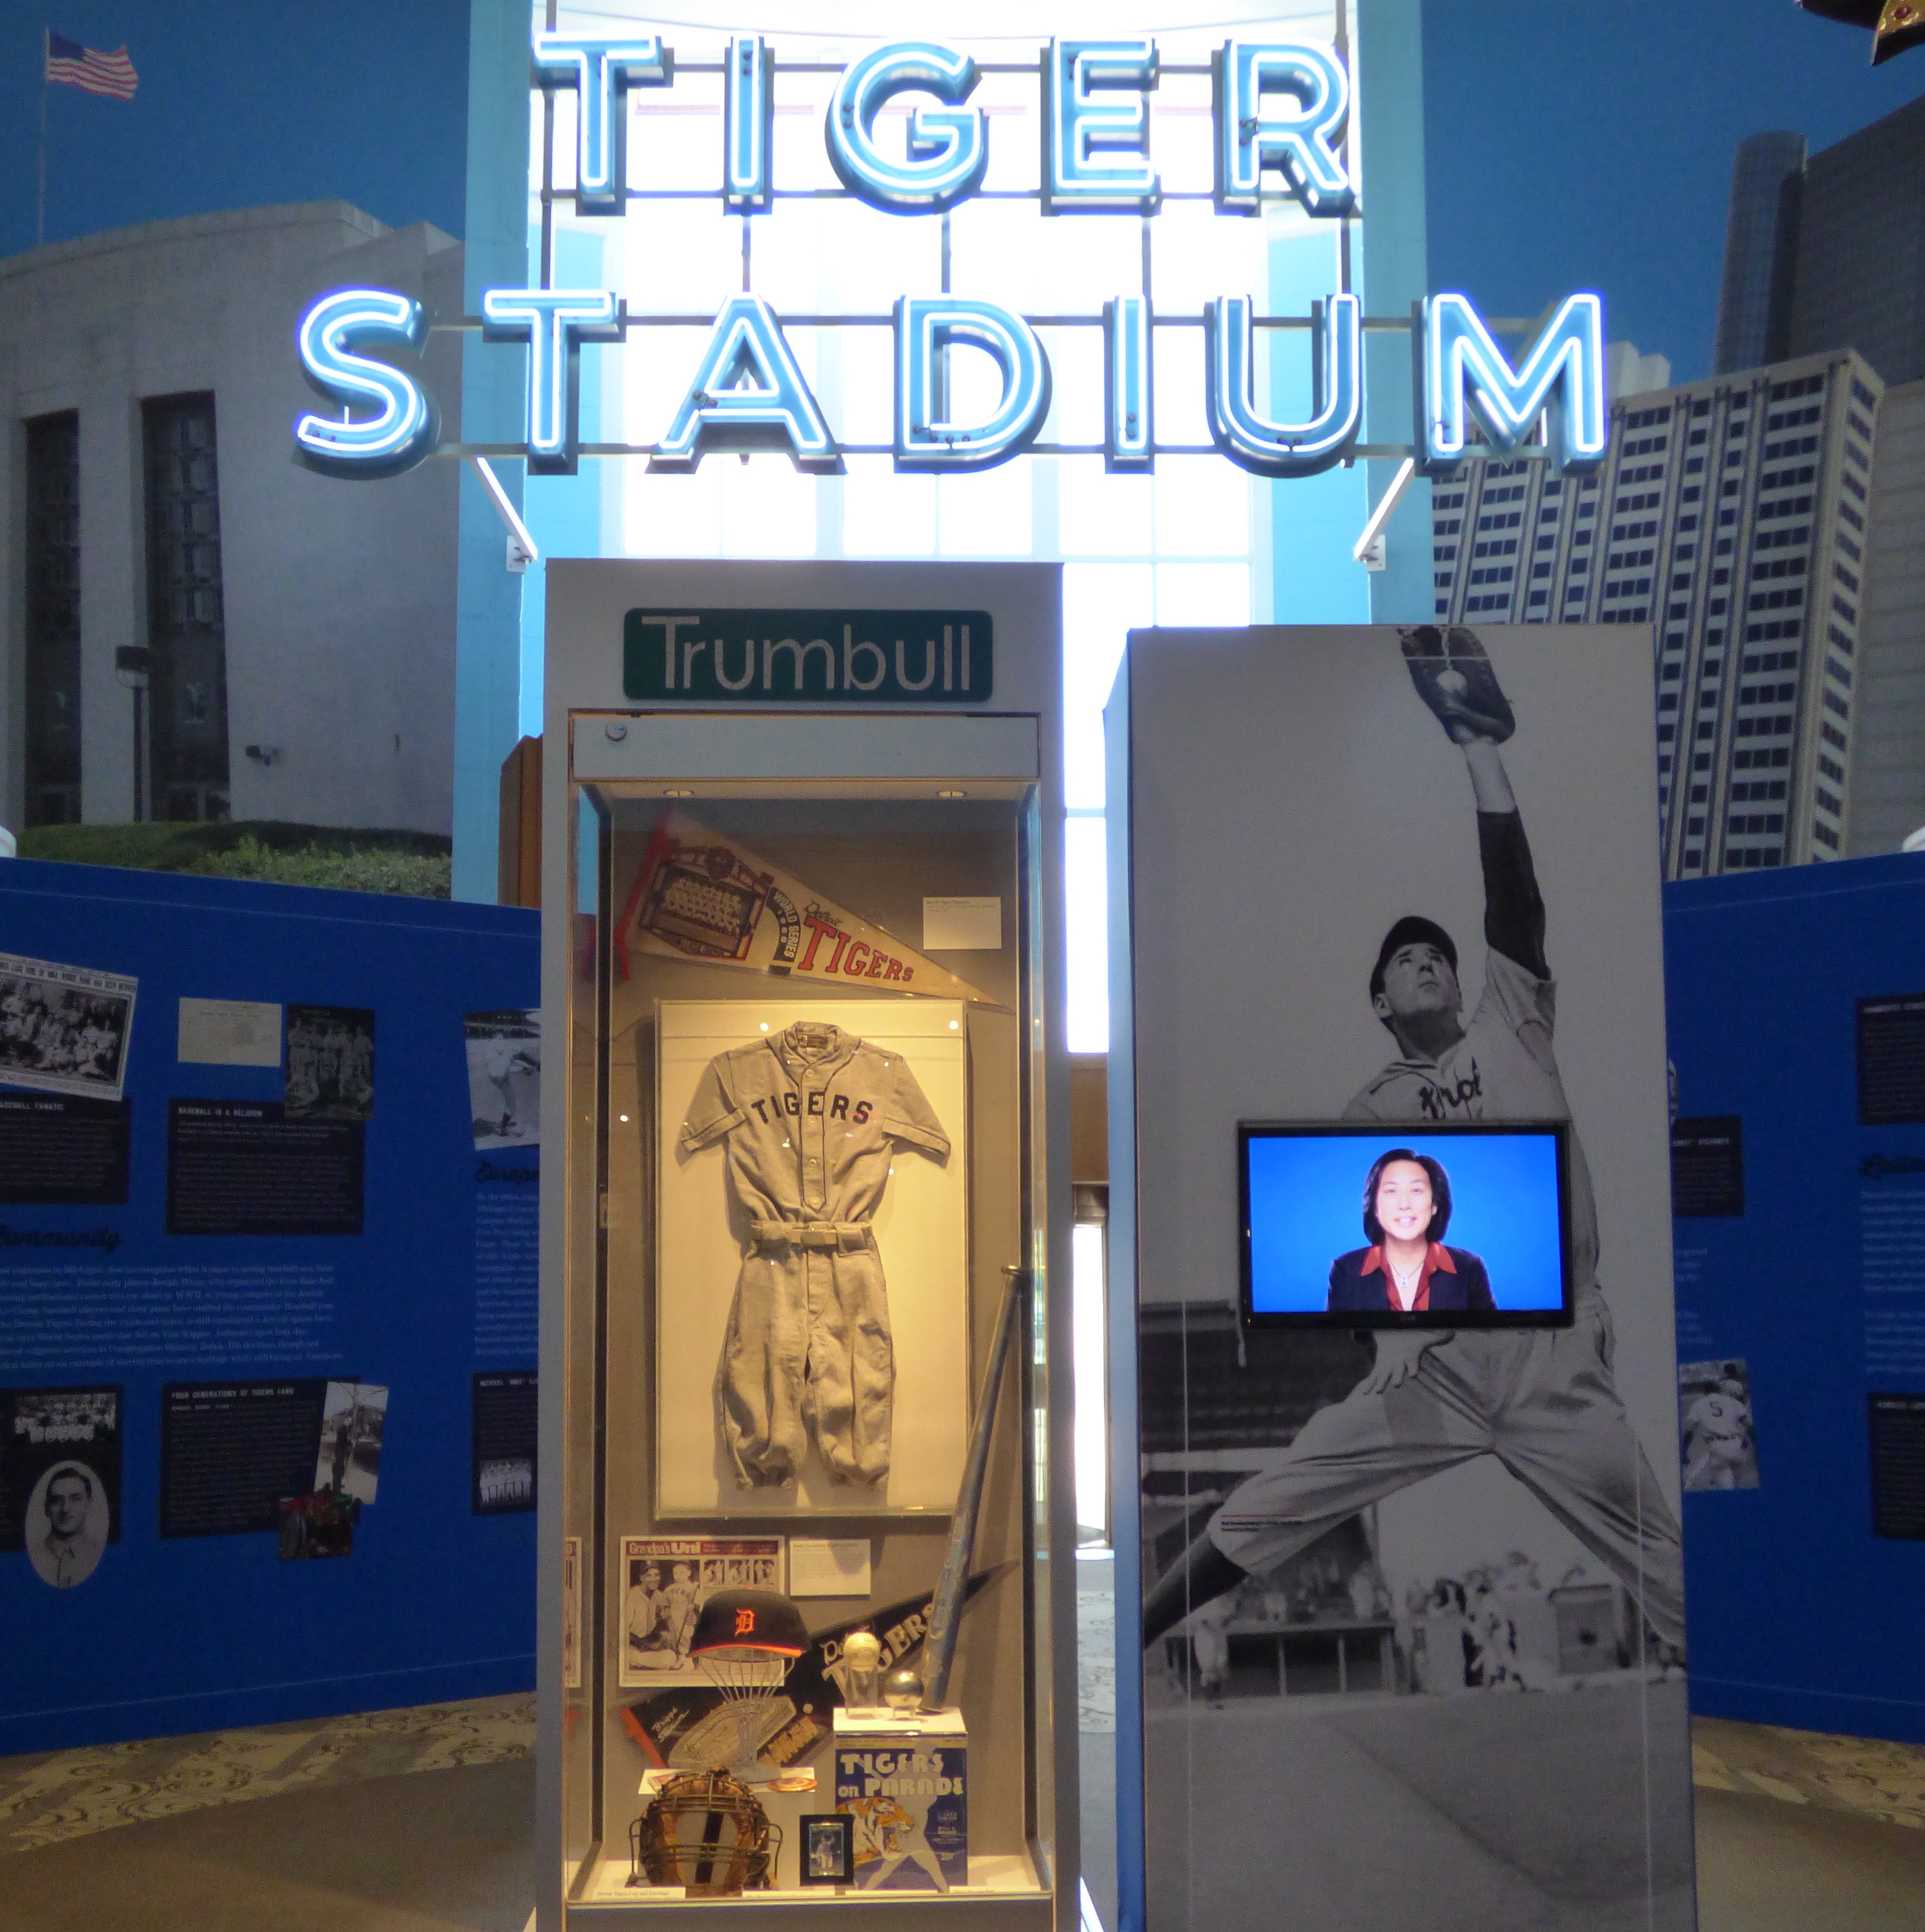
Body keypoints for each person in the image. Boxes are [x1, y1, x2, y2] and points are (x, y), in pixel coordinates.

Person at [1143, 627, 1686, 1665]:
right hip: (1434, 1363)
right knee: (1278, 1494)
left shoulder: (1510, 1022)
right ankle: (1130, 1634)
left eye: (1437, 951)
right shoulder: (1370, 1107)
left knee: (1667, 1565)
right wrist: (1383, 1333)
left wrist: (1478, 753)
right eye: (1406, 958)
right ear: (1380, 1000)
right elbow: (1347, 1240)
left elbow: (1517, 906)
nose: (1429, 960)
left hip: (1557, 1349)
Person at [1327, 1147, 1493, 1313]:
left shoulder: (1469, 1268)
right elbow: (1336, 1338)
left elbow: (1491, 1335)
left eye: (1416, 1190)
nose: (1405, 1204)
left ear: (1435, 1204)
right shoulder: (1346, 1270)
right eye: (1391, 1191)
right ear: (1375, 1207)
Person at [32, 1463, 105, 1588]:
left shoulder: (100, 1554)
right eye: (57, 1501)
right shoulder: (34, 1556)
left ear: (90, 1504)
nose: (66, 1509)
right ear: (47, 1509)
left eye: (76, 1499)